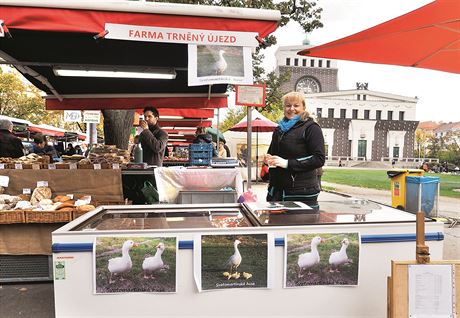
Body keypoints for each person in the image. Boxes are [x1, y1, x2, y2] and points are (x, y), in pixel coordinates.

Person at [264, 91, 325, 207]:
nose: (291, 109)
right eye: (288, 105)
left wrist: (287, 163)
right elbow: (272, 153)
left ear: (304, 107)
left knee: (297, 224)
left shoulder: (312, 128)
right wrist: (268, 159)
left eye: (296, 105)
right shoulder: (279, 129)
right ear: (284, 108)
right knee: (275, 224)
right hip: (276, 191)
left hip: (301, 192)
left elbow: (319, 158)